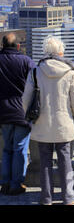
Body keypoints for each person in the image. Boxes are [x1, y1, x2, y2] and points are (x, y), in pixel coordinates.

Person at [22, 36, 74, 205]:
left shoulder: (35, 71)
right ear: (60, 52)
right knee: (66, 162)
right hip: (63, 123)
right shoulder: (70, 72)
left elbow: (25, 100)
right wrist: (72, 113)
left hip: (42, 123)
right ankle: (69, 197)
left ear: (45, 52)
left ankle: (46, 198)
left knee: (45, 163)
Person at [0, 33, 36, 196]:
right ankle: (16, 184)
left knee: (7, 148)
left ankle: (5, 183)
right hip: (23, 111)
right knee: (20, 148)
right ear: (19, 46)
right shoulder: (26, 62)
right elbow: (37, 85)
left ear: (2, 45)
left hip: (3, 111)